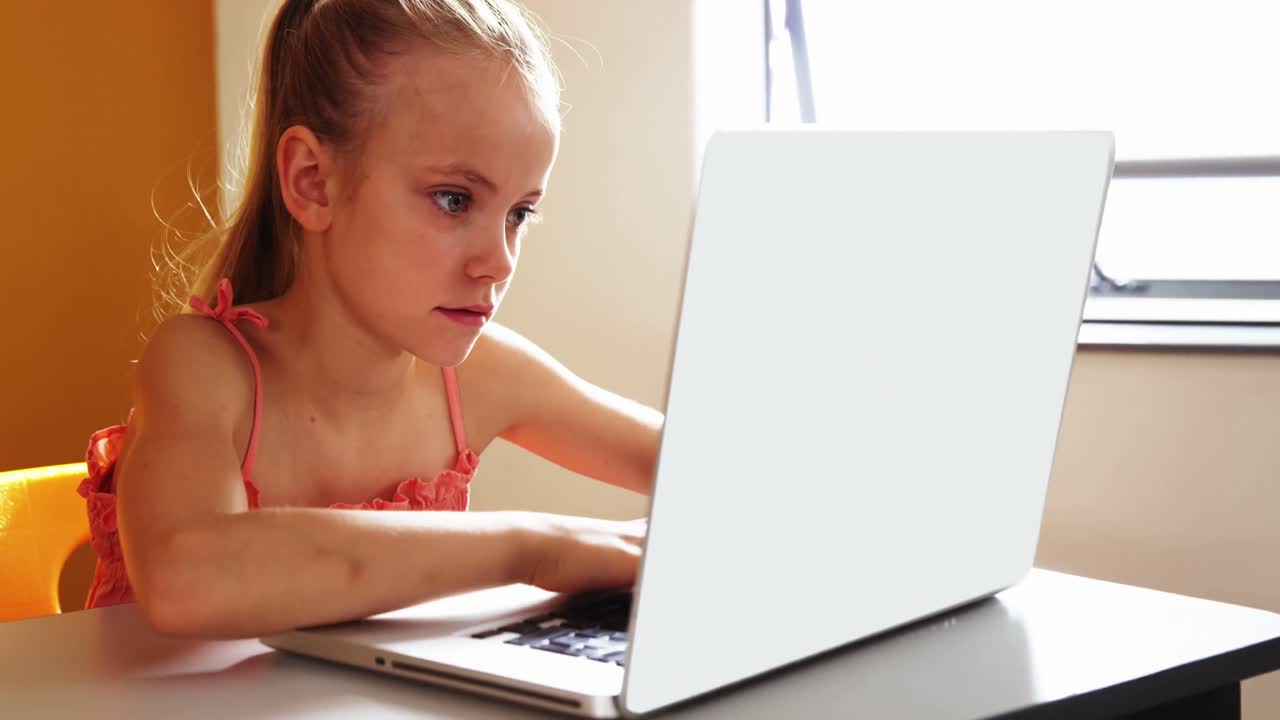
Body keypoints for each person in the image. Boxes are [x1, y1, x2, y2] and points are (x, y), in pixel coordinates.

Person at [78, 0, 660, 640]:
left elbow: (713, 465)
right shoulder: (203, 366)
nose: (498, 261)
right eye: (453, 199)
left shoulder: (486, 376)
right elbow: (187, 578)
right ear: (312, 182)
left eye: (520, 213)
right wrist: (537, 547)